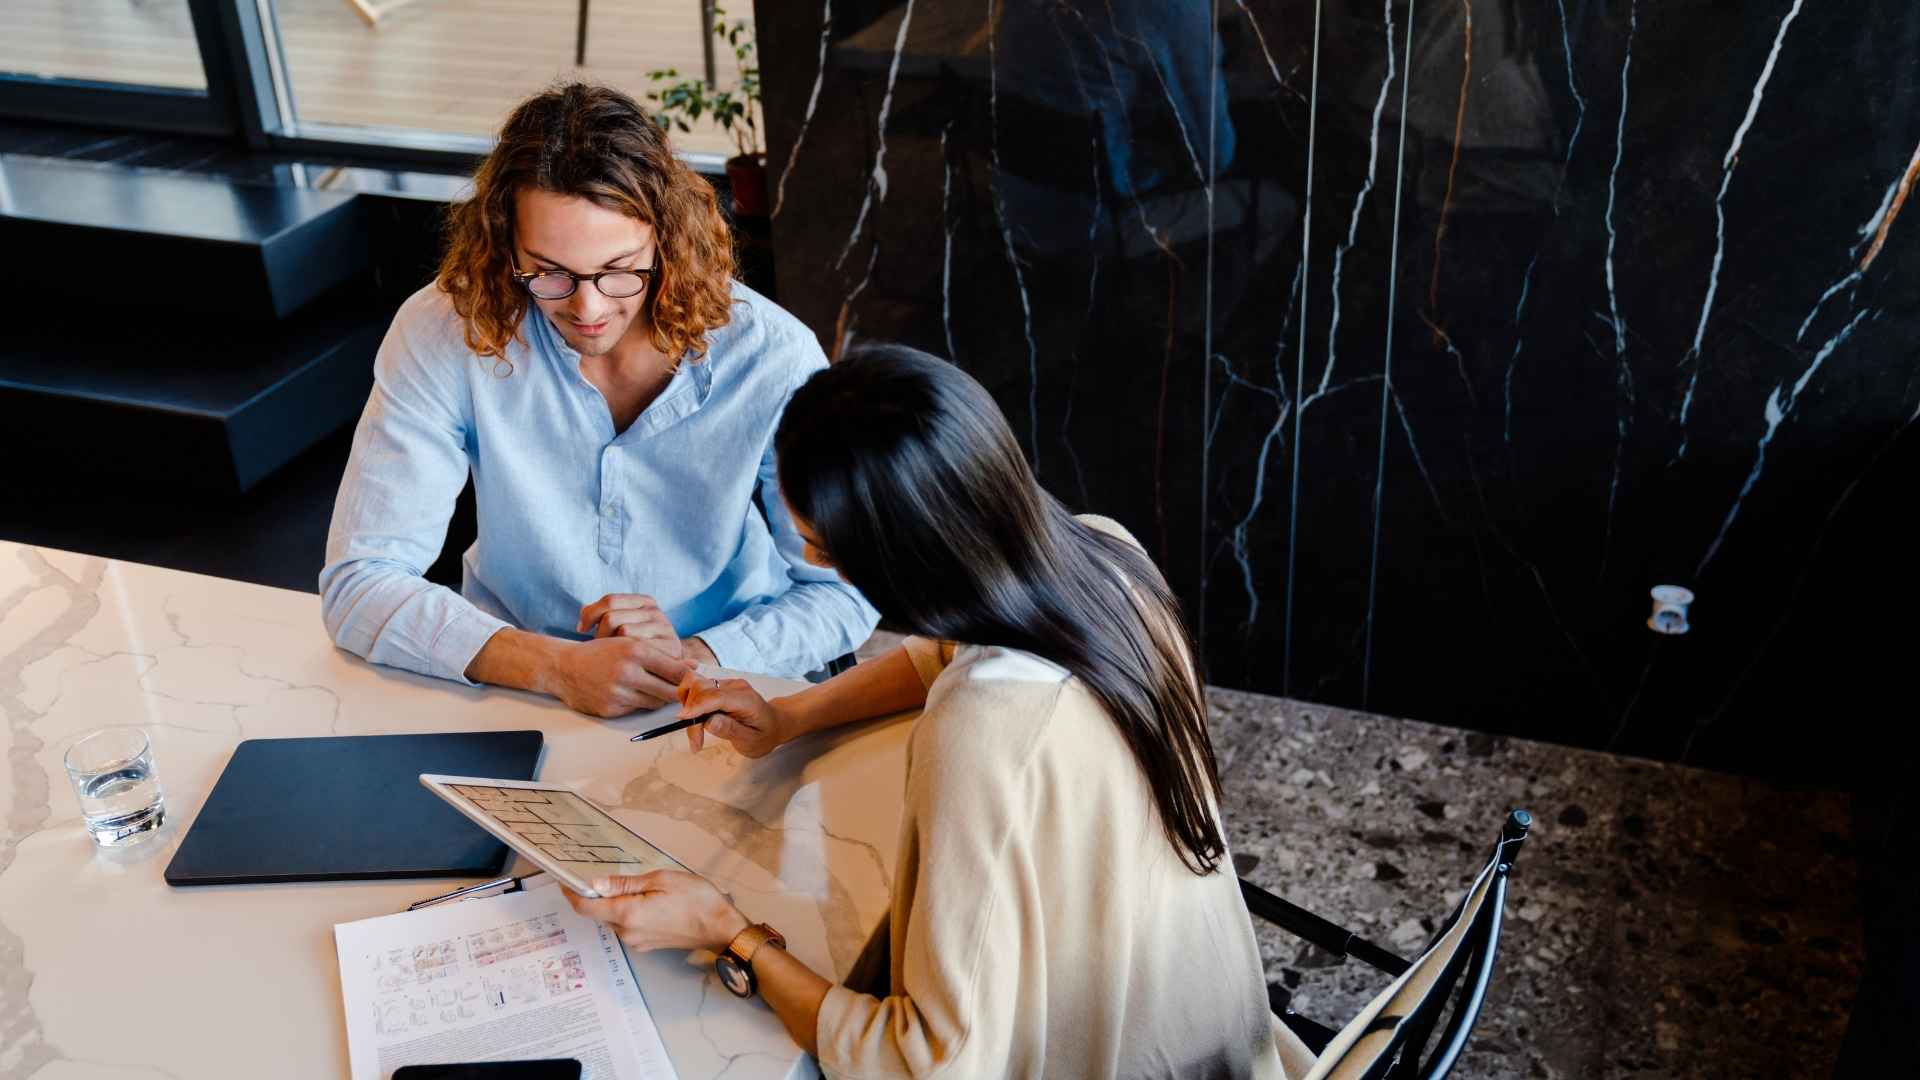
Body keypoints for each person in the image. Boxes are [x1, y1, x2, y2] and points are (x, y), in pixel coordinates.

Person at [564, 345, 1314, 1077]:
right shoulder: (1104, 557)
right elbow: (945, 653)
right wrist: (793, 716)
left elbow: (927, 1060)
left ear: (903, 565)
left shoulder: (981, 732)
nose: (821, 567)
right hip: (1212, 1021)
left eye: (825, 552)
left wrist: (729, 934)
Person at [320, 83, 877, 715]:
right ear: (505, 245)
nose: (588, 308)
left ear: (666, 238)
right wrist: (555, 666)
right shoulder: (442, 330)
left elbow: (845, 592)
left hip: (725, 686)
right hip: (510, 677)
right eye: (549, 272)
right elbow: (358, 583)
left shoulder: (772, 355)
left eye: (620, 268)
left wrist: (694, 657)